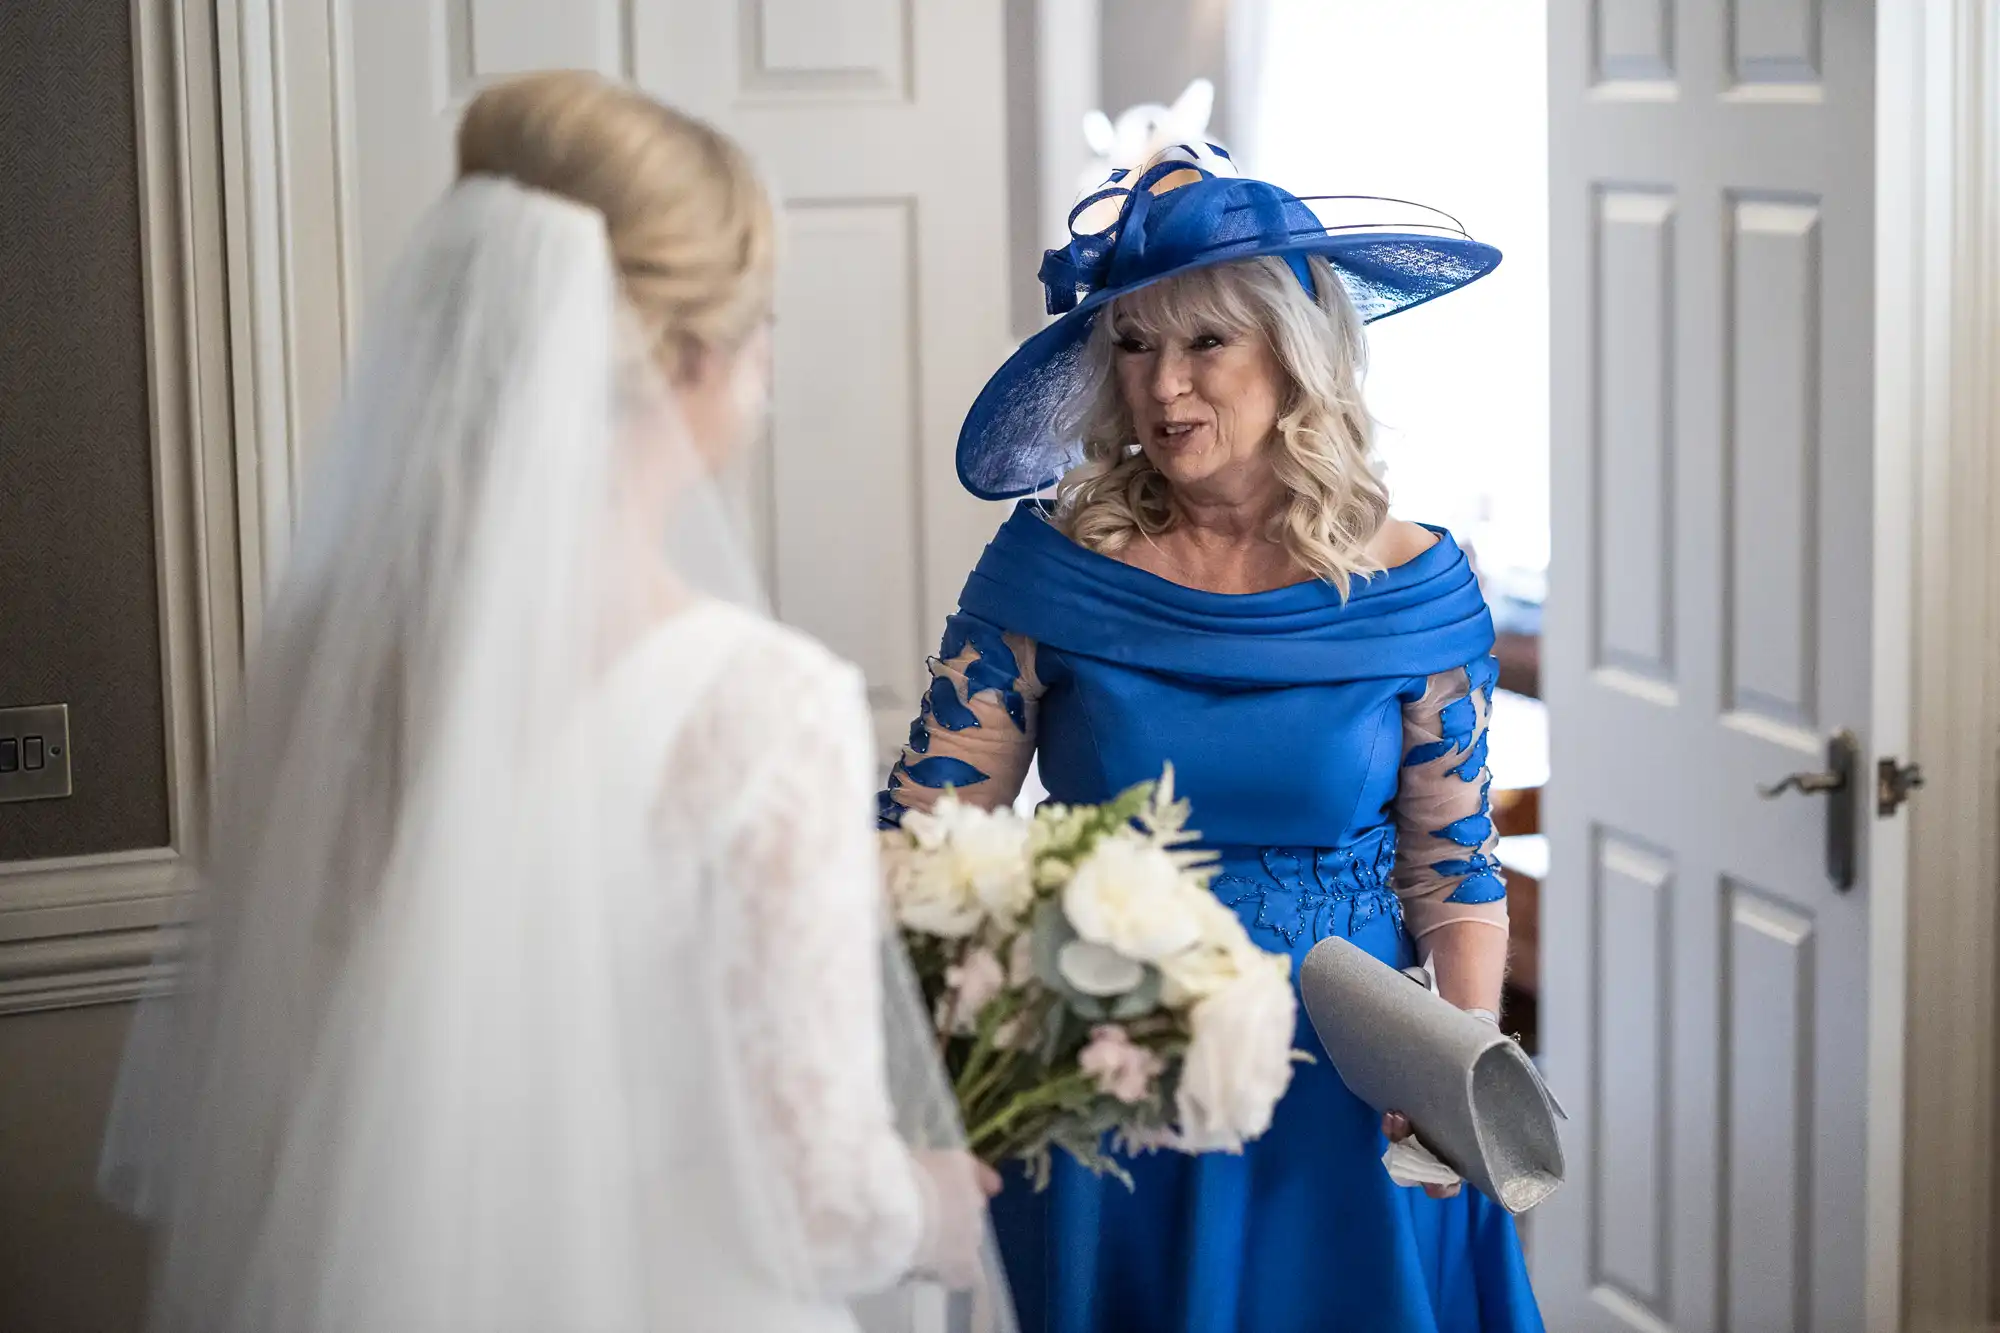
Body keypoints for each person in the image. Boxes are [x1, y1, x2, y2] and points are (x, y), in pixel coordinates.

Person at [99, 71, 1008, 1333]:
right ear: (698, 353)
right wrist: (932, 1207)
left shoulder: (328, 658)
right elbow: (815, 1201)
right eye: (764, 325)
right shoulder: (758, 703)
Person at [881, 144, 1543, 1332]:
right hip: (1106, 1078)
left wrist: (1459, 1072)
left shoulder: (1417, 588)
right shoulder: (1051, 572)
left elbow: (1452, 863)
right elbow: (923, 841)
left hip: (1346, 1094)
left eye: (1203, 344)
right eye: (1132, 345)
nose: (1163, 388)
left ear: (1292, 353)